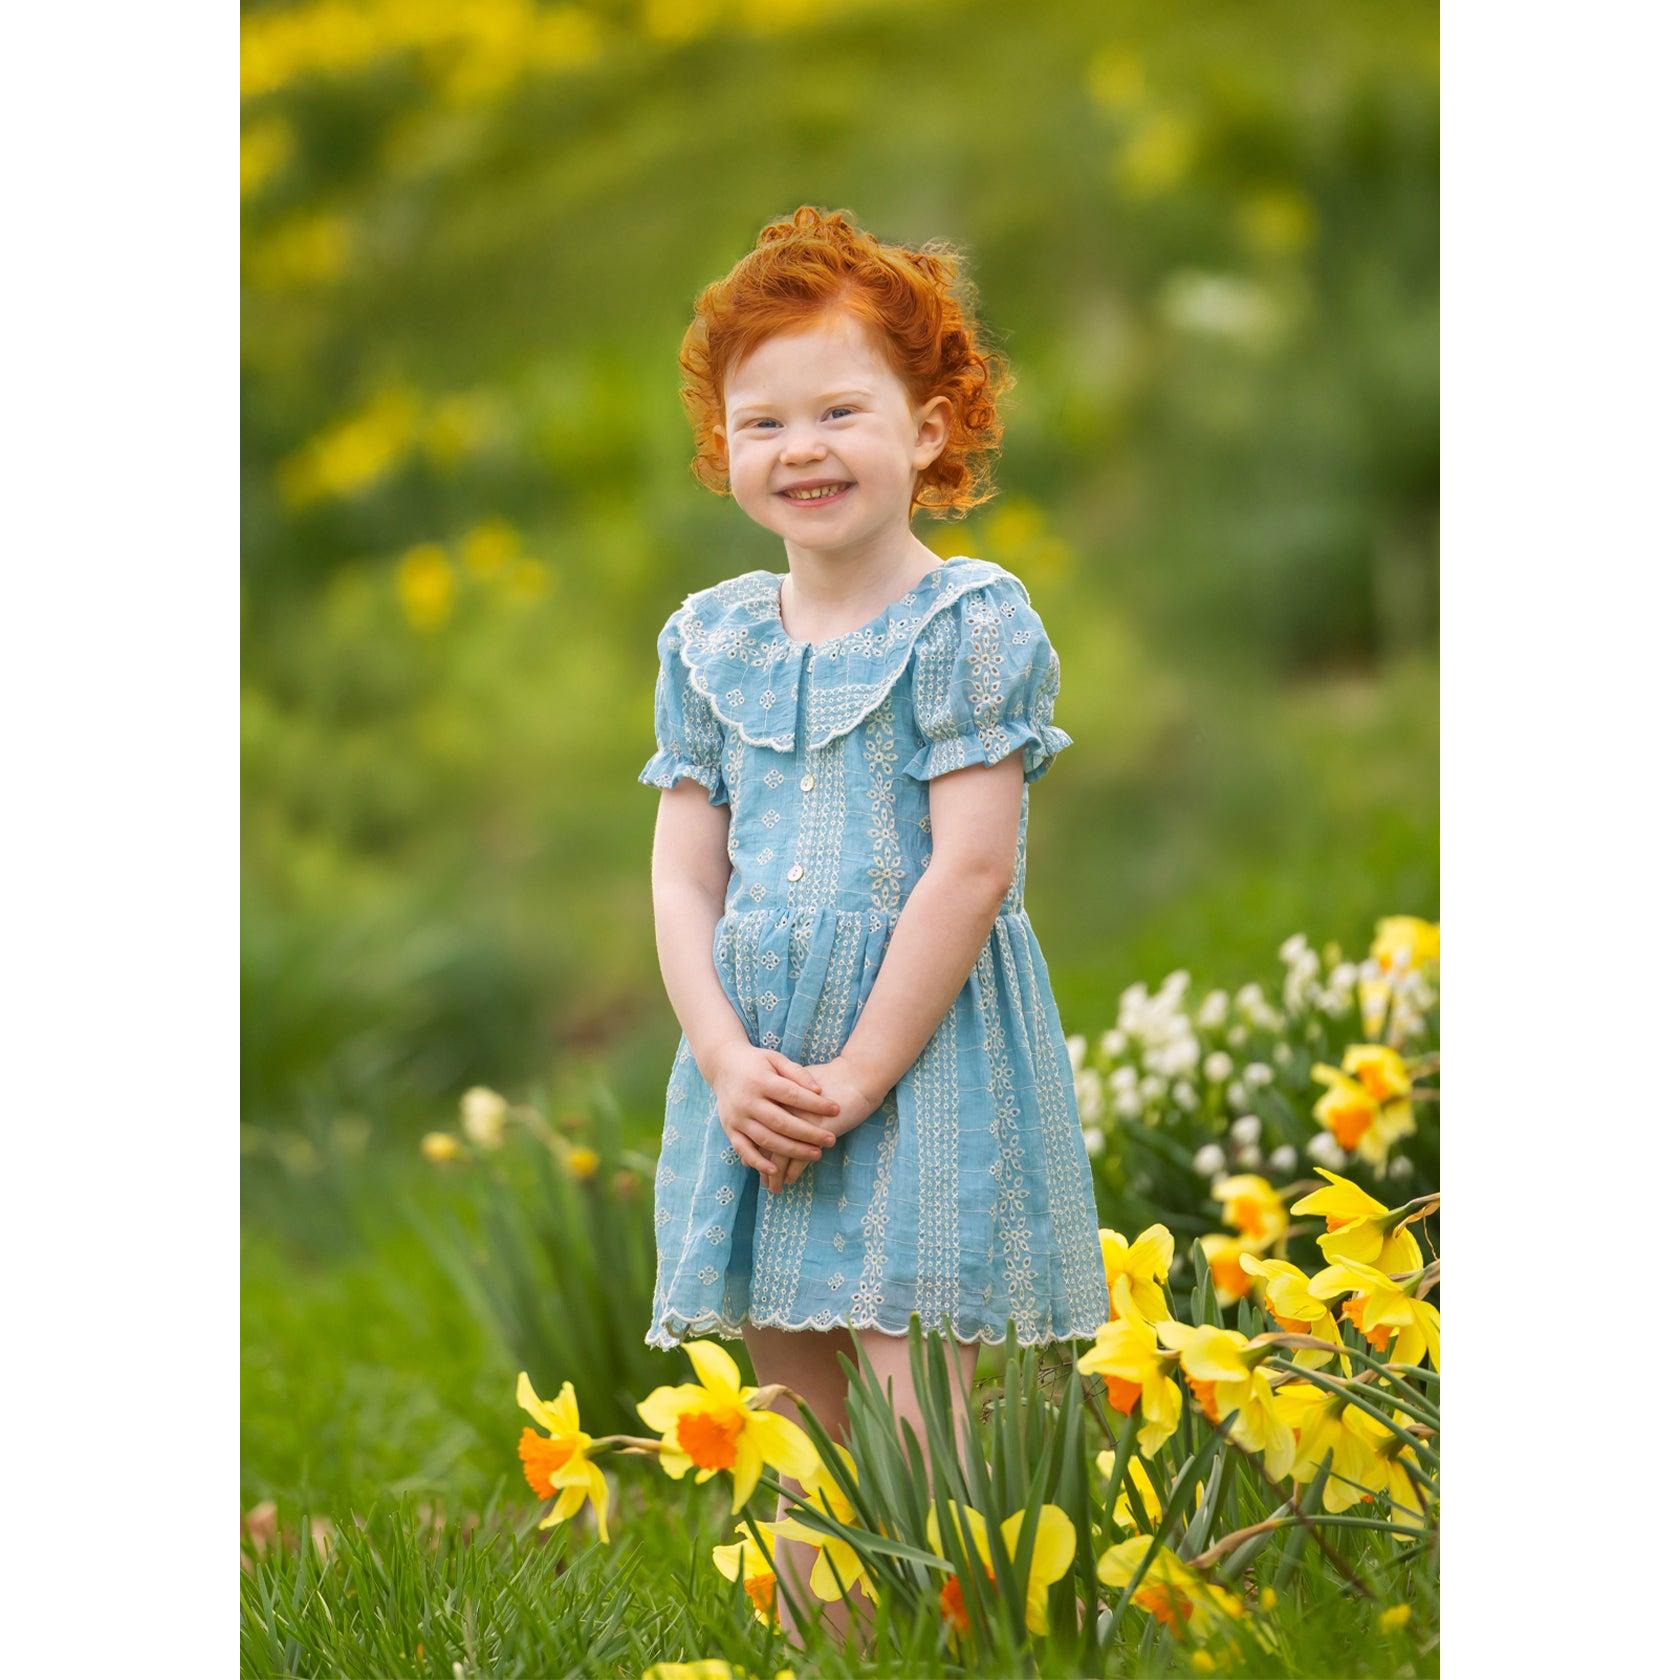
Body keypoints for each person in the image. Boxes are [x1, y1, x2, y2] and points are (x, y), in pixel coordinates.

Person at [636, 205, 1109, 1650]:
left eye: (843, 408)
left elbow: (970, 872)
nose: (804, 447)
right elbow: (680, 878)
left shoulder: (967, 622)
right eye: (761, 418)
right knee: (793, 1414)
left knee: (923, 1405)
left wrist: (862, 1073)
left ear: (932, 426)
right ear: (725, 450)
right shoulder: (710, 640)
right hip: (765, 1075)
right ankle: (829, 1650)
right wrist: (725, 1057)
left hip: (926, 1063)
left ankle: (969, 1643)